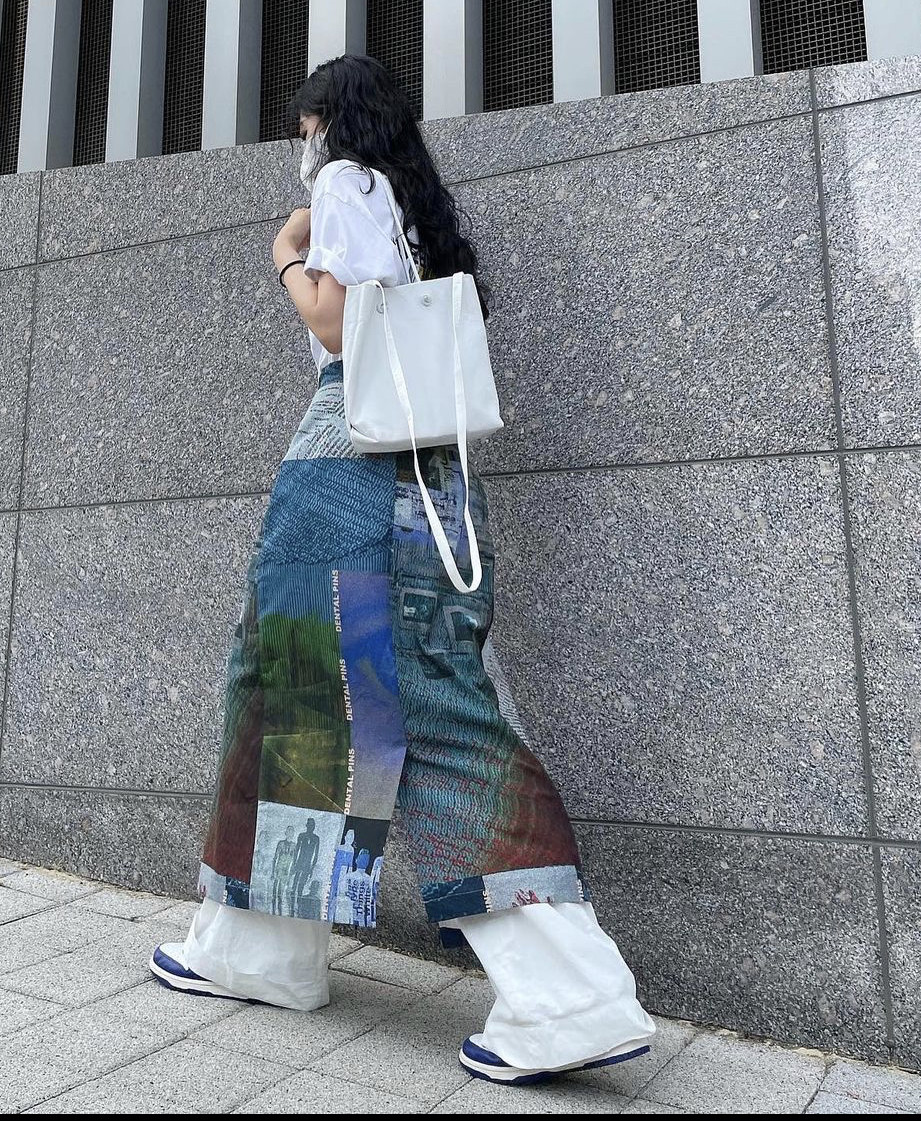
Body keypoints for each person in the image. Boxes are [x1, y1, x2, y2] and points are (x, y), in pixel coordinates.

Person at [149, 53, 655, 1086]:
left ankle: (570, 995)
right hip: (427, 480)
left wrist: (285, 257)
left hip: (350, 478)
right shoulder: (416, 209)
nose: (301, 152)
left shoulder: (344, 183)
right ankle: (263, 947)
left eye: (302, 131)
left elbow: (336, 322)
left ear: (322, 123)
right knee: (309, 696)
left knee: (390, 702)